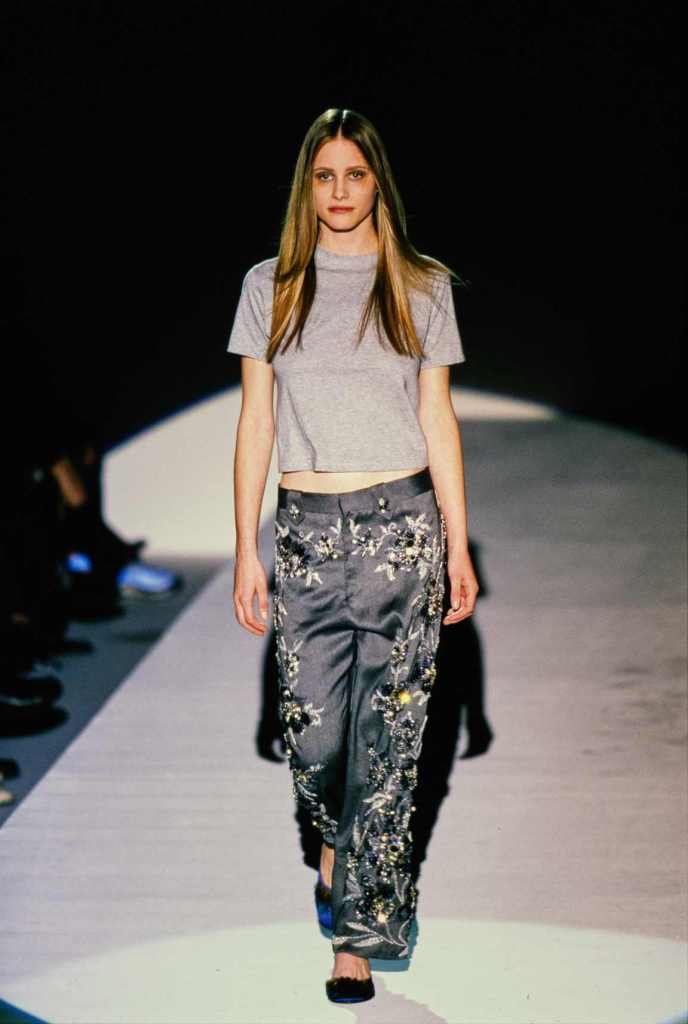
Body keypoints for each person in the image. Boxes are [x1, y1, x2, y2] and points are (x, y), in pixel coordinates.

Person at [226, 107, 479, 1005]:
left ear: (379, 183)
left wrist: (457, 540)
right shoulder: (271, 285)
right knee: (317, 736)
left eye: (356, 175)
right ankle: (335, 841)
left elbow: (437, 416)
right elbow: (256, 420)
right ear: (308, 185)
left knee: (389, 740)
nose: (340, 192)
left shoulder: (419, 284)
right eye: (325, 176)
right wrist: (245, 548)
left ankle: (357, 936)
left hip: (402, 528)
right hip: (304, 533)